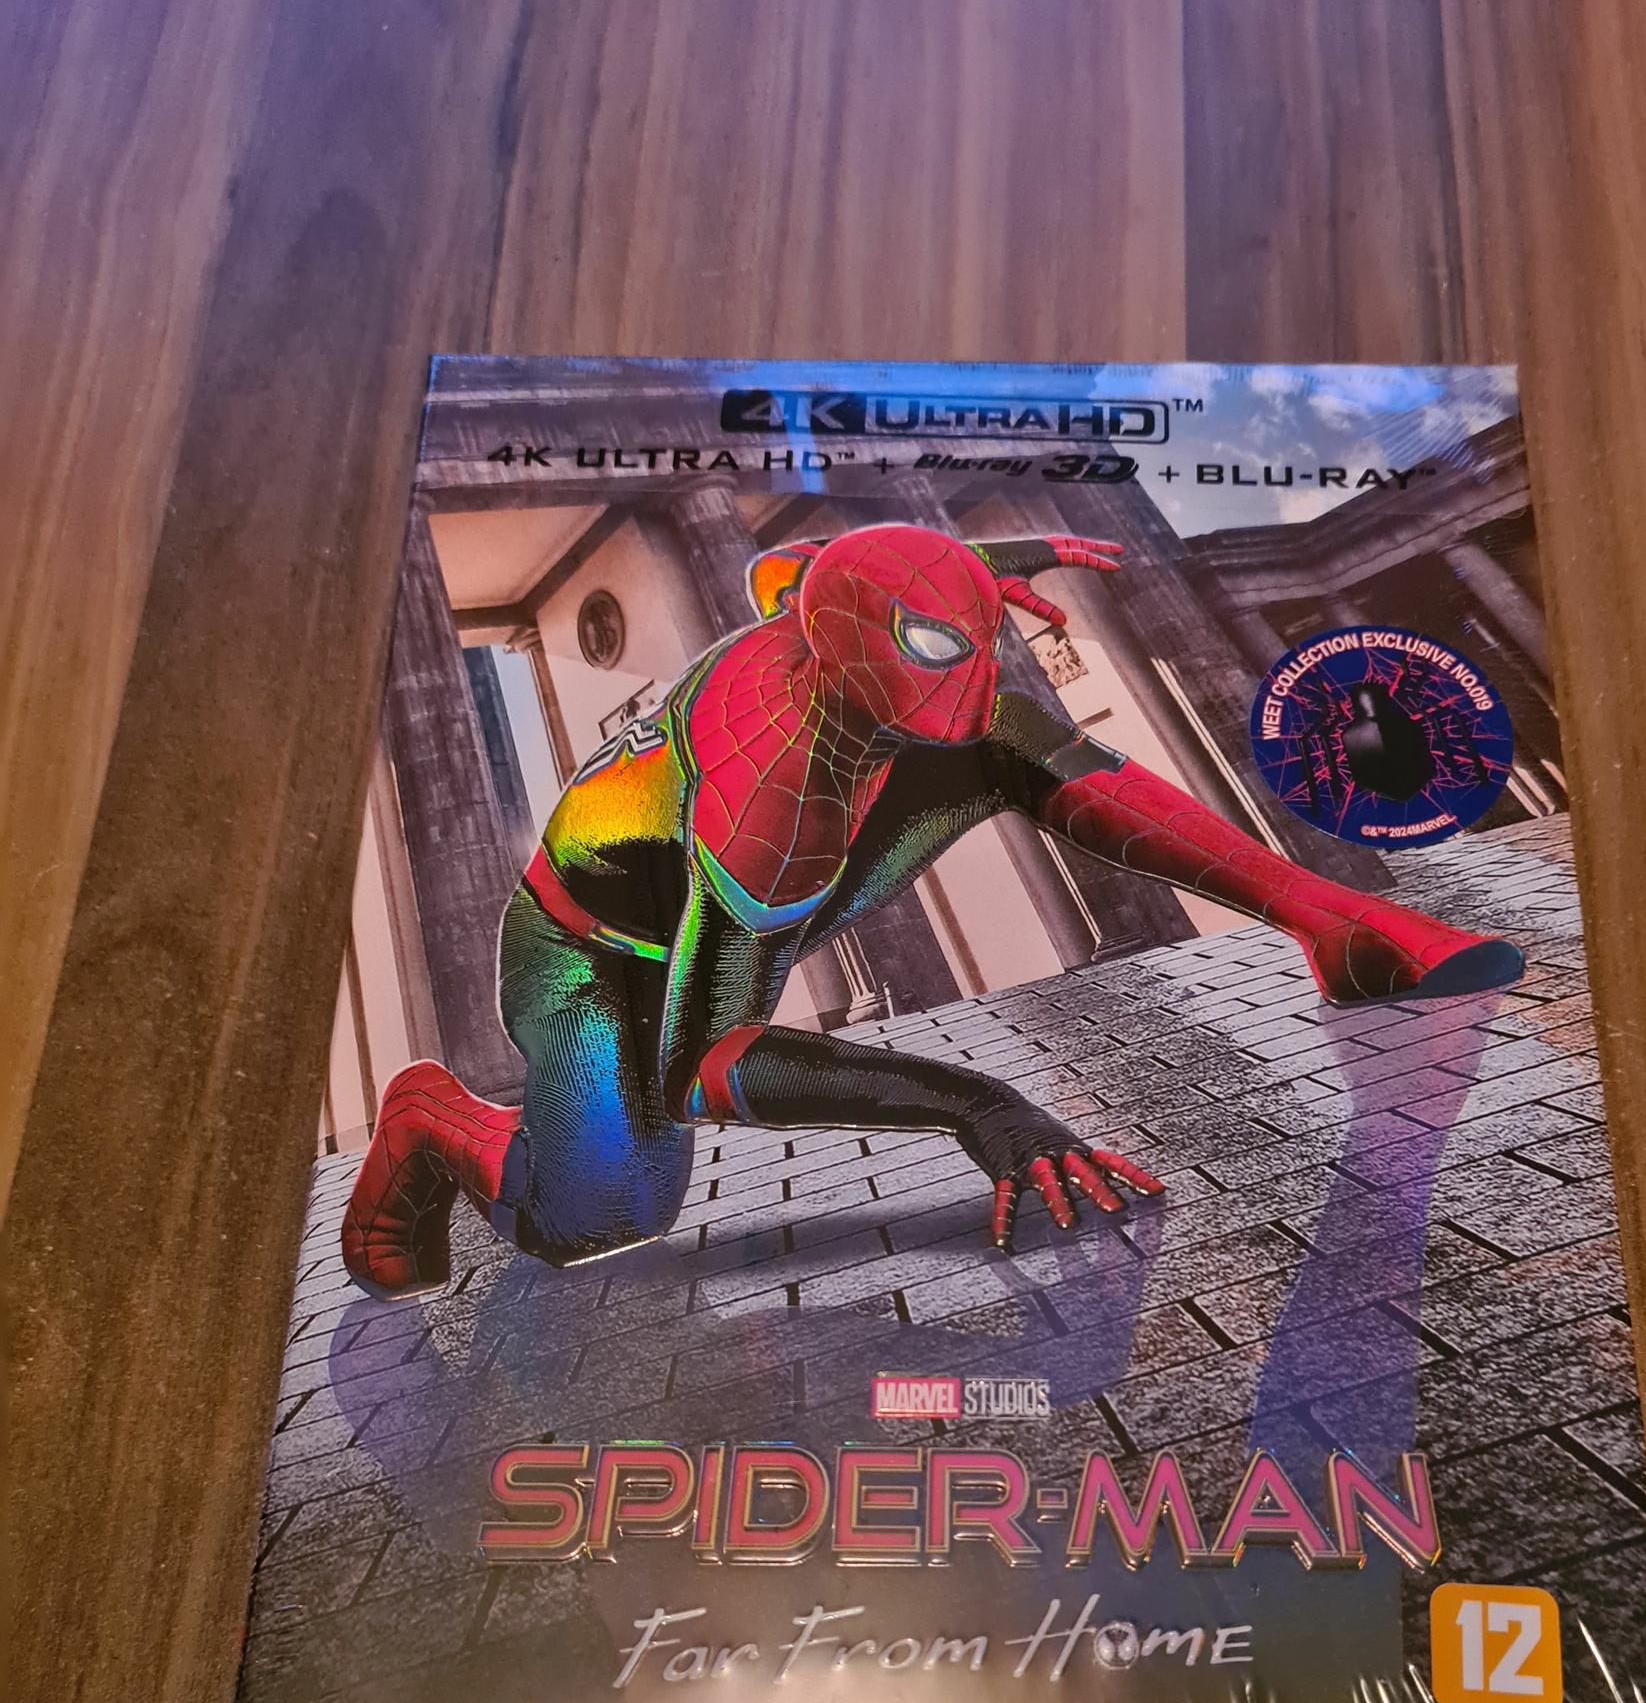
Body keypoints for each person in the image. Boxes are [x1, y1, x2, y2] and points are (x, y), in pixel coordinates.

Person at [343, 524, 1523, 1297]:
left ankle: (1332, 923)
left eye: (968, 646)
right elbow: (704, 1064)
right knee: (607, 1211)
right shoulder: (773, 795)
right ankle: (431, 1118)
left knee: (1013, 739)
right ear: (839, 664)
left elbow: (807, 567)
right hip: (589, 952)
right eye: (928, 657)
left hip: (724, 851)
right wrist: (976, 1103)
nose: (966, 682)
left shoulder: (810, 608)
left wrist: (970, 566)